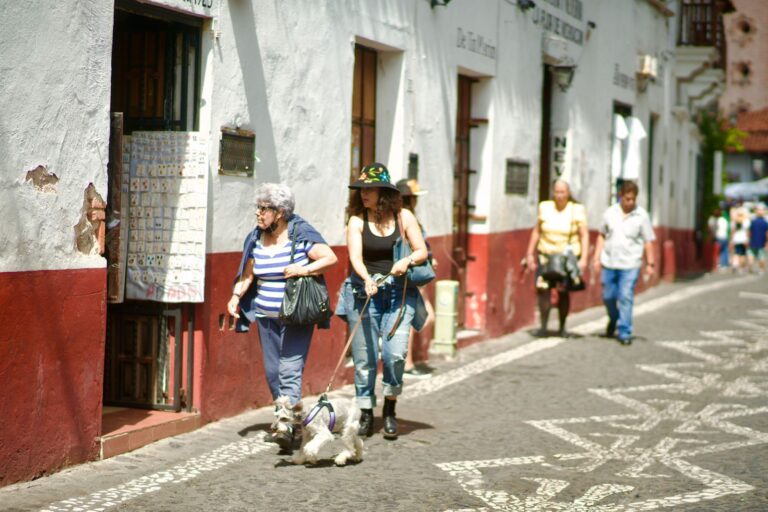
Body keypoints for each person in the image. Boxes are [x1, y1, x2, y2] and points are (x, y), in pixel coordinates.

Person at [227, 183, 338, 450]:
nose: (258, 213)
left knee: (290, 369)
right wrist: (235, 296)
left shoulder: (300, 235)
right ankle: (288, 416)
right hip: (266, 314)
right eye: (258, 207)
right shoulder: (256, 238)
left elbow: (330, 258)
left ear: (279, 212)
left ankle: (286, 424)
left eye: (264, 209)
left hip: (297, 314)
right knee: (272, 371)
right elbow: (248, 275)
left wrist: (303, 268)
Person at [336, 163, 429, 439]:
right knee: (364, 359)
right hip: (364, 292)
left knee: (395, 354)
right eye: (361, 189)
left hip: (399, 294)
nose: (363, 194)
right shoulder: (357, 220)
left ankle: (390, 406)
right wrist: (366, 278)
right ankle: (366, 411)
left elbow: (421, 250)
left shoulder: (404, 217)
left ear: (384, 192)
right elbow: (354, 257)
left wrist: (406, 260)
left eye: (370, 189)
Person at [592, 180, 655, 345]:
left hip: (631, 263)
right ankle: (614, 319)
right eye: (627, 199)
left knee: (626, 296)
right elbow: (601, 235)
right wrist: (596, 257)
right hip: (610, 262)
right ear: (620, 196)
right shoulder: (610, 213)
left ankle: (624, 331)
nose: (630, 202)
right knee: (608, 296)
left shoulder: (642, 215)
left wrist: (650, 264)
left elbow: (648, 241)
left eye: (633, 199)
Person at [524, 179, 589, 337]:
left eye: (562, 192)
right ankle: (544, 326)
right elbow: (537, 231)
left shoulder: (576, 210)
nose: (559, 195)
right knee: (543, 290)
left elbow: (584, 235)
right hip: (546, 255)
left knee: (563, 291)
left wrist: (584, 258)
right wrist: (529, 254)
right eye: (557, 192)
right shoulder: (545, 207)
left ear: (568, 193)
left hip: (566, 257)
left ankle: (562, 326)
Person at [396, 178, 436, 379]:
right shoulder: (404, 218)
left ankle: (412, 360)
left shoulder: (410, 218)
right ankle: (407, 363)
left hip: (419, 274)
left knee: (425, 317)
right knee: (413, 318)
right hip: (412, 273)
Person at [748, 204, 768, 275]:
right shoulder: (765, 222)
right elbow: (766, 233)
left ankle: (750, 267)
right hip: (761, 242)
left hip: (752, 242)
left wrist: (748, 239)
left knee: (751, 255)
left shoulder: (753, 221)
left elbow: (749, 232)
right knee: (761, 256)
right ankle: (761, 269)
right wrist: (767, 242)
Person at [730, 206, 750, 274]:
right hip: (743, 239)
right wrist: (747, 239)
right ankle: (742, 267)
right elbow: (747, 232)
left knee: (736, 253)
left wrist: (731, 240)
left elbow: (732, 232)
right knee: (742, 254)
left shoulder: (734, 222)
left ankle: (735, 264)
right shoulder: (746, 221)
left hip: (736, 239)